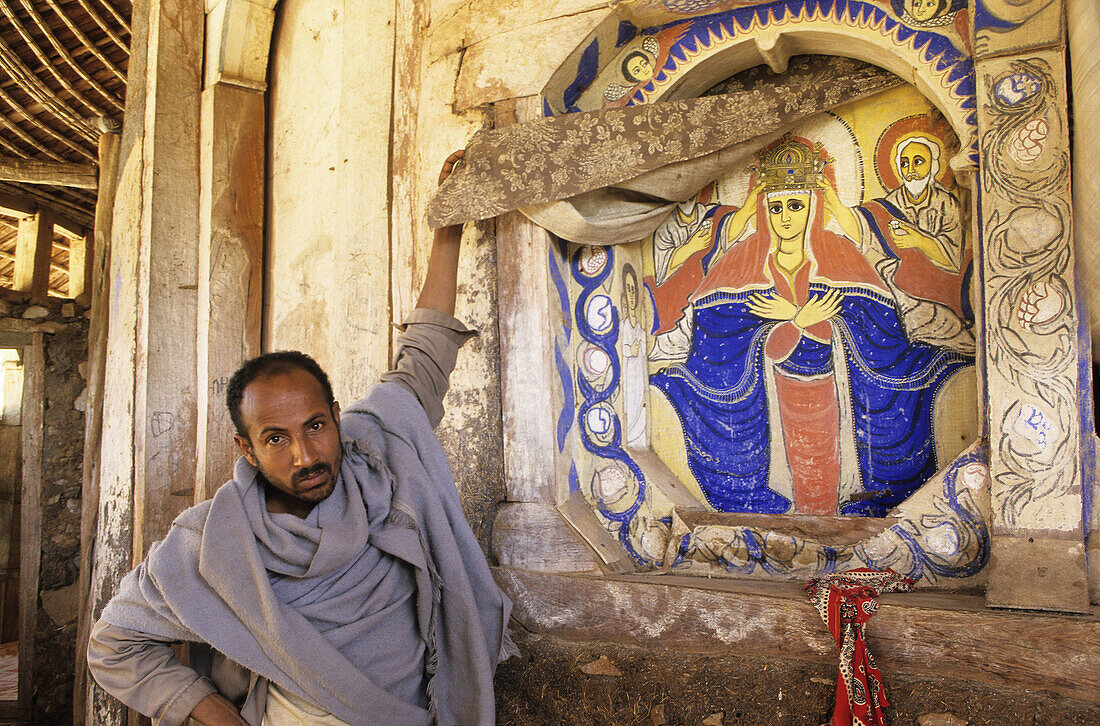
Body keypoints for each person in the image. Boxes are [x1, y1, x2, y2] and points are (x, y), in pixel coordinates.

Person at [86, 151, 516, 725]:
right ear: (246, 448)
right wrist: (218, 716)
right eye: (276, 439)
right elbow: (114, 644)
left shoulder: (375, 450)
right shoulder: (216, 542)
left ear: (337, 416)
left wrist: (447, 229)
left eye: (315, 426)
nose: (307, 455)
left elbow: (426, 354)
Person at [650, 135, 971, 516]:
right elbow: (716, 333)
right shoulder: (740, 260)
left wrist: (810, 322)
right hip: (766, 403)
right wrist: (795, 321)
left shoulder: (841, 254)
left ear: (813, 208)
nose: (785, 217)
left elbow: (881, 330)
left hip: (837, 398)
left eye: (796, 205)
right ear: (763, 210)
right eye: (776, 207)